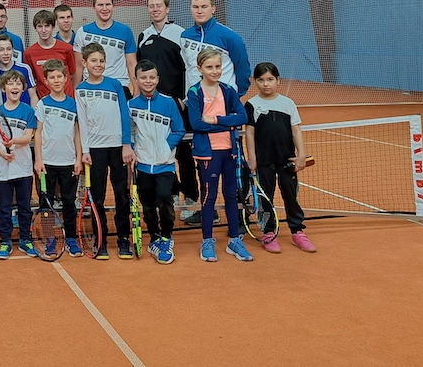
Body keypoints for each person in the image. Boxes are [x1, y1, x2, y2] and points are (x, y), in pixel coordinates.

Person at [135, 0, 199, 224]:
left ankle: (191, 198)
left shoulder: (181, 34)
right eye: (151, 6)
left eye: (159, 5)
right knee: (159, 151)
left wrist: (183, 96)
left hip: (176, 104)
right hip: (153, 106)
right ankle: (170, 194)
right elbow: (140, 71)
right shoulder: (144, 36)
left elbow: (189, 68)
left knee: (184, 153)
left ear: (167, 8)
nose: (155, 9)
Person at [187, 48, 253, 263]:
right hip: (208, 154)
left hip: (230, 152)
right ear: (199, 68)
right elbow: (197, 124)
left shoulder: (228, 90)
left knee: (232, 195)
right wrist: (228, 123)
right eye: (209, 67)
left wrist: (216, 120)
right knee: (209, 197)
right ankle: (207, 241)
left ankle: (234, 240)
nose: (214, 71)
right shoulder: (194, 92)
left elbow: (242, 117)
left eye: (217, 66)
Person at [244, 62, 316, 253]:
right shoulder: (251, 105)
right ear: (255, 81)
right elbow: (249, 133)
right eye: (261, 80)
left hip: (287, 161)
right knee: (266, 198)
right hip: (263, 161)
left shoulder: (288, 103)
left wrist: (301, 155)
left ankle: (297, 231)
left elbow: (296, 130)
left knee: (291, 196)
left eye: (270, 79)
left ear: (278, 80)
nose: (265, 84)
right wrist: (252, 158)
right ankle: (269, 232)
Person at [76, 42, 133, 260]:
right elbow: (82, 122)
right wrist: (85, 150)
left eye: (101, 61)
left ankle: (123, 239)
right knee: (97, 198)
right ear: (84, 63)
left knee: (122, 196)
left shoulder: (116, 85)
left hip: (118, 148)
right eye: (94, 61)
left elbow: (124, 114)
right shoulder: (80, 90)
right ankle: (100, 241)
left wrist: (126, 144)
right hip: (95, 151)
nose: (98, 64)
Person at [128, 60, 185, 264]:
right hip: (143, 165)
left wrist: (165, 147)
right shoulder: (131, 105)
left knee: (165, 199)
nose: (148, 81)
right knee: (148, 205)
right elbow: (129, 132)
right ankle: (154, 237)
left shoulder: (169, 103)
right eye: (143, 77)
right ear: (136, 79)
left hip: (165, 165)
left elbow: (179, 129)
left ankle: (167, 237)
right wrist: (132, 149)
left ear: (158, 79)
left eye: (152, 77)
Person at [32, 59, 83, 257]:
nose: (56, 80)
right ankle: (50, 239)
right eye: (51, 77)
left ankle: (71, 238)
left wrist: (78, 158)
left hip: (68, 162)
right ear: (46, 80)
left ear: (65, 78)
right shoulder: (43, 104)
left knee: (69, 202)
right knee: (46, 204)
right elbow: (38, 133)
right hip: (47, 164)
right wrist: (38, 159)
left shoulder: (73, 104)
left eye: (59, 76)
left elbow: (77, 133)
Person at [0, 69, 38, 260]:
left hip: (23, 167)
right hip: (3, 168)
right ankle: (5, 241)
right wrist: (2, 152)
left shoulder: (29, 111)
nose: (14, 87)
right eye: (10, 83)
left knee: (25, 206)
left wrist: (14, 141)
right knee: (4, 207)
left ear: (23, 89)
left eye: (18, 84)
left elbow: (28, 136)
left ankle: (25, 239)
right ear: (3, 88)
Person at [181, 0, 251, 96]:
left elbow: (243, 68)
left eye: (204, 7)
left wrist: (235, 96)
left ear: (213, 9)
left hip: (223, 99)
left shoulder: (230, 36)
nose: (199, 11)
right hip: (194, 99)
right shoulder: (185, 36)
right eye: (195, 7)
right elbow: (187, 67)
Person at [74, 0, 138, 99]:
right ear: (93, 8)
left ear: (113, 7)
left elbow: (132, 64)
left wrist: (136, 90)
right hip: (90, 88)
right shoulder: (83, 31)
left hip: (119, 86)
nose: (104, 8)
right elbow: (79, 65)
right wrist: (75, 91)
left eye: (108, 4)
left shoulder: (125, 31)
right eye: (100, 5)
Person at [25, 9, 77, 99]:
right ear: (35, 28)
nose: (43, 30)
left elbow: (72, 73)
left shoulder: (67, 49)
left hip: (68, 99)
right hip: (45, 101)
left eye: (47, 26)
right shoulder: (29, 53)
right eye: (40, 26)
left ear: (53, 27)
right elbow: (32, 80)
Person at [0, 33, 37, 106]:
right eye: (1, 50)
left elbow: (33, 96)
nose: (6, 53)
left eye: (9, 49)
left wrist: (33, 112)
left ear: (13, 50)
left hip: (24, 112)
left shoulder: (24, 69)